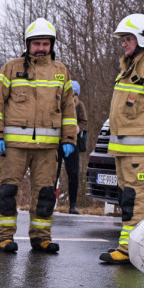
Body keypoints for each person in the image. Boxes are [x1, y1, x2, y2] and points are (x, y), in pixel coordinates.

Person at [0, 18, 77, 254]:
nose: (41, 48)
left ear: (51, 45)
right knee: (7, 193)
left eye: (45, 44)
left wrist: (69, 139)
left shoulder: (61, 72)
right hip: (13, 147)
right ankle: (4, 237)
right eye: (36, 43)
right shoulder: (11, 68)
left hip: (48, 149)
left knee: (46, 196)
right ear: (28, 44)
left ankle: (41, 238)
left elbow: (69, 110)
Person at [100, 14, 144, 264]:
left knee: (136, 201)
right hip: (124, 151)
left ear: (143, 39)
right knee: (128, 200)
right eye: (123, 39)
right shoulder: (129, 68)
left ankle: (130, 252)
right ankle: (128, 248)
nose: (123, 44)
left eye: (128, 39)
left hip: (141, 153)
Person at [57, 80, 89, 214]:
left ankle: (73, 205)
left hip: (72, 143)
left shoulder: (80, 106)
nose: (72, 96)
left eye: (75, 94)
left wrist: (78, 128)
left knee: (73, 174)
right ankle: (49, 203)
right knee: (53, 173)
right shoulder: (59, 103)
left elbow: (84, 122)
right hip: (57, 142)